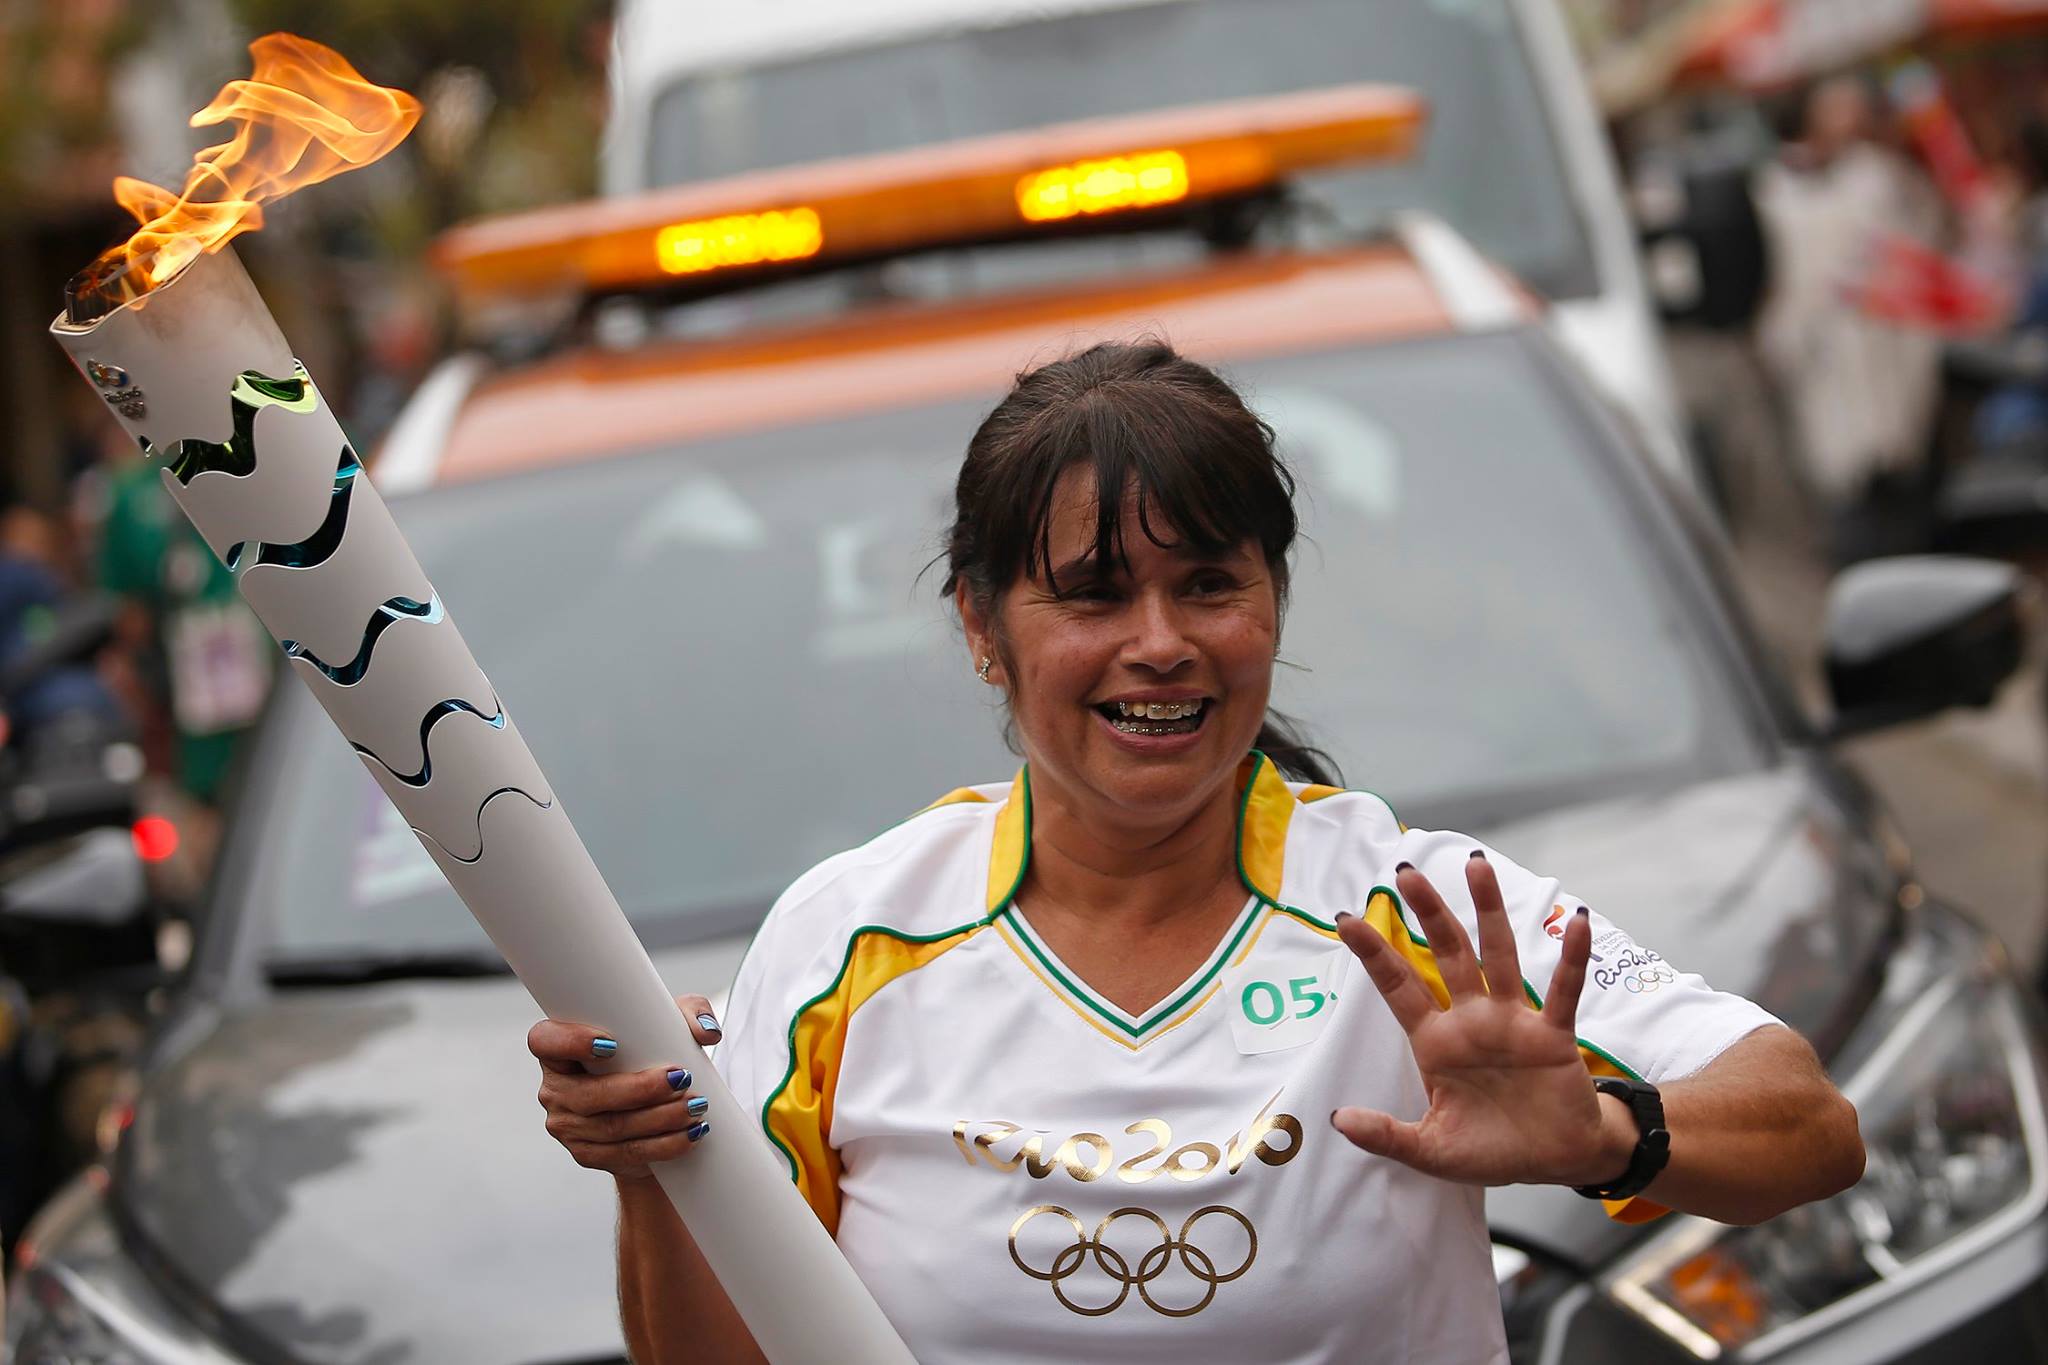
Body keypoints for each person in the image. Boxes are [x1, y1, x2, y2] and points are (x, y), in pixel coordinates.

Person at [527, 342, 1865, 1363]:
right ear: (983, 628)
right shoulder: (849, 943)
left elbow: (1810, 1122)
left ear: (1272, 601)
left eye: (1211, 584)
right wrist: (652, 1161)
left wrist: (1608, 1131)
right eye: (1094, 593)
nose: (1161, 641)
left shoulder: (1415, 915)